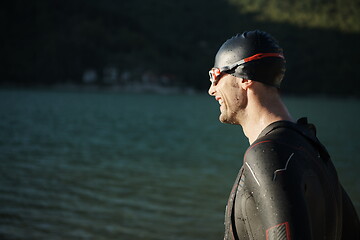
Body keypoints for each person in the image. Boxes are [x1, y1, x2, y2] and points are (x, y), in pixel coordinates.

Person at [208, 30, 360, 240]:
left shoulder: (268, 155)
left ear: (244, 78)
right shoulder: (312, 149)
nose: (211, 89)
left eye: (215, 76)